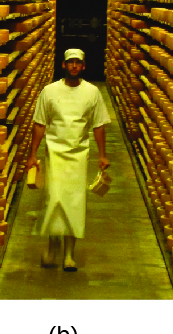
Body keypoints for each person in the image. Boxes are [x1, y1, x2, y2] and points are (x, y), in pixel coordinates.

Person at [23, 48, 111, 272]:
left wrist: (102, 154)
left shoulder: (92, 93)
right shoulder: (50, 91)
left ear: (83, 66)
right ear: (63, 65)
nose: (74, 66)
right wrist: (32, 155)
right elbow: (40, 124)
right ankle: (53, 249)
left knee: (75, 203)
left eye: (77, 63)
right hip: (54, 153)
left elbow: (98, 125)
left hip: (79, 154)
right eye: (70, 62)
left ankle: (69, 255)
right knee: (54, 201)